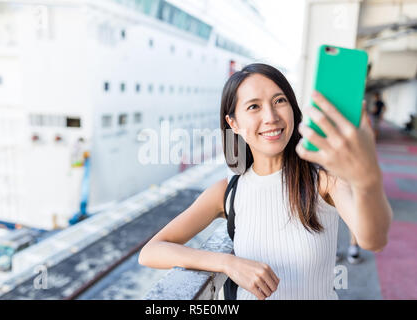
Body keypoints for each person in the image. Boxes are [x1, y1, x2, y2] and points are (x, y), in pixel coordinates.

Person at [138, 63, 393, 300]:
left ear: (293, 109)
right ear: (233, 123)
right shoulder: (228, 191)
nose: (271, 116)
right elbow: (151, 251)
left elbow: (374, 240)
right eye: (254, 107)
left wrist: (368, 178)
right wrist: (228, 263)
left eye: (279, 101)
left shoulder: (324, 181)